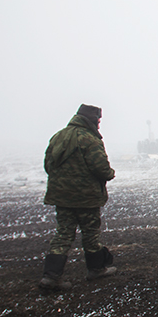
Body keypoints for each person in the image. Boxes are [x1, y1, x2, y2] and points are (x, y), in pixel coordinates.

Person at [39, 104, 117, 290]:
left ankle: (51, 277)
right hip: (86, 197)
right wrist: (110, 173)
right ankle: (96, 269)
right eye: (98, 121)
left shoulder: (59, 136)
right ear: (91, 120)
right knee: (90, 233)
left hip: (62, 197)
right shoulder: (89, 139)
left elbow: (48, 165)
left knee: (63, 234)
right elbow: (101, 168)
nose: (99, 125)